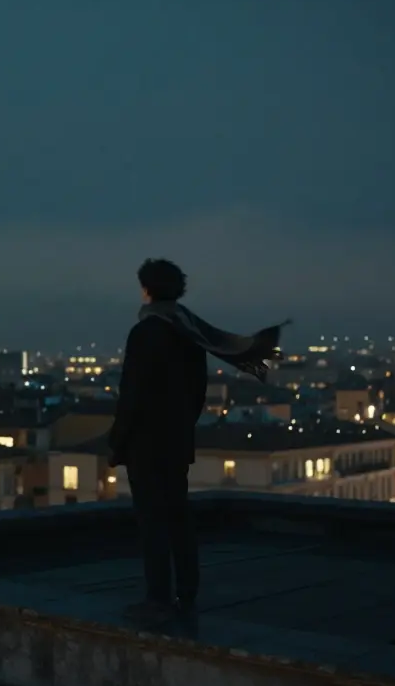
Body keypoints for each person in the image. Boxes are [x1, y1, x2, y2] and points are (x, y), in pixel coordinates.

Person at [107, 259, 287, 626]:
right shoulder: (189, 334)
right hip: (176, 441)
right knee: (178, 517)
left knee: (152, 522)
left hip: (145, 444)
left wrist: (118, 441)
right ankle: (186, 593)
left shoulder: (145, 332)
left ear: (146, 290)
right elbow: (197, 392)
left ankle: (157, 598)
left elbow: (132, 394)